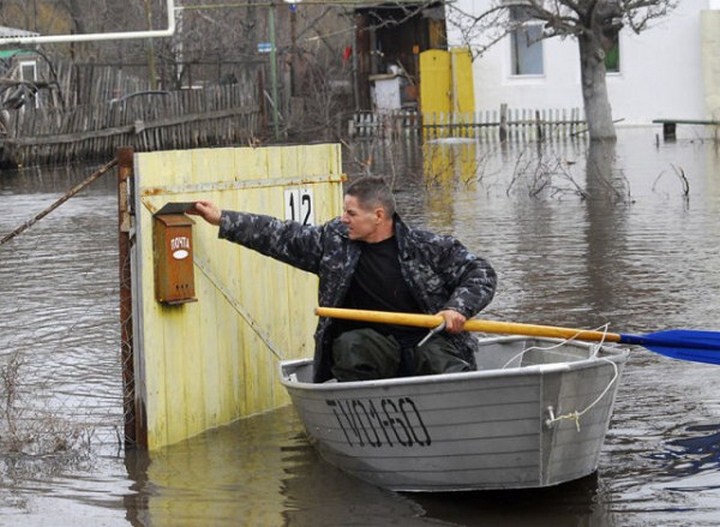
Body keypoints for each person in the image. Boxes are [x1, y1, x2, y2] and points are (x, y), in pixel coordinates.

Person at [188, 175, 496, 383]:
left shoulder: (427, 247)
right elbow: (279, 234)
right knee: (351, 346)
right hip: (370, 349)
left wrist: (458, 308)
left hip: (426, 340)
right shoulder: (332, 244)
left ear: (378, 215)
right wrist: (223, 218)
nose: (343, 219)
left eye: (351, 213)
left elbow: (480, 272)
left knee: (446, 364)